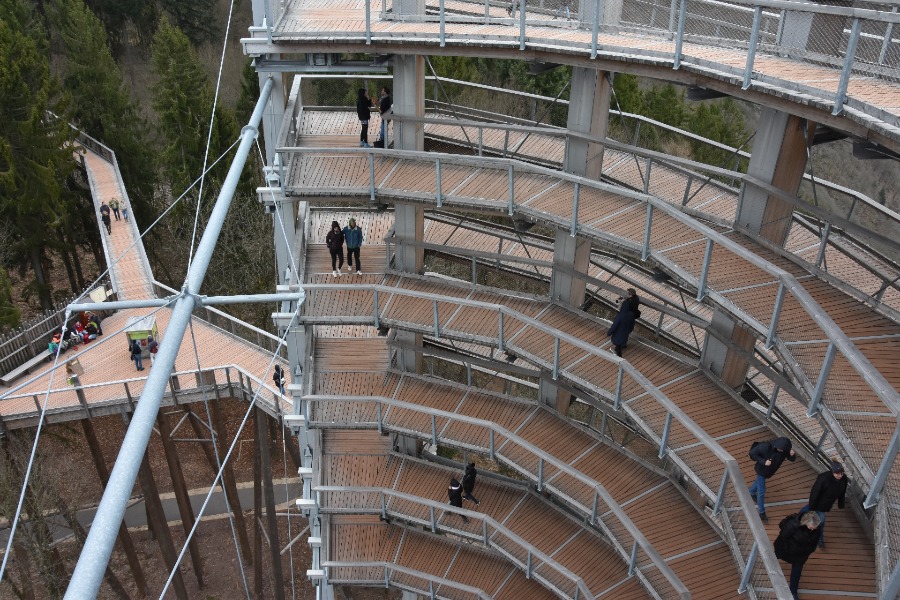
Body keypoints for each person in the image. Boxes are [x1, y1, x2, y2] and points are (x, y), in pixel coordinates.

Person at [800, 461, 848, 550]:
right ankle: (820, 540)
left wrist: (841, 504)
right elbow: (815, 492)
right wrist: (812, 507)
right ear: (832, 472)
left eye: (841, 473)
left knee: (806, 512)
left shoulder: (844, 479)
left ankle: (798, 519)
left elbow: (842, 492)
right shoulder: (823, 479)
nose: (840, 475)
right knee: (820, 522)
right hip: (819, 503)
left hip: (825, 504)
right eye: (837, 473)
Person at [774, 511, 821, 600]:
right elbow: (783, 536)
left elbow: (814, 541)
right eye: (812, 527)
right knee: (775, 556)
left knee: (797, 572)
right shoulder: (793, 524)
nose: (814, 529)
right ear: (806, 522)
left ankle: (793, 592)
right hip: (787, 550)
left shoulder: (816, 528)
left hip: (801, 555)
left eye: (815, 527)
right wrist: (786, 549)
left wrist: (810, 550)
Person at [748, 437, 796, 521]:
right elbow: (752, 453)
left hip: (769, 471)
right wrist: (764, 462)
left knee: (759, 482)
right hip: (761, 470)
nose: (781, 451)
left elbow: (791, 459)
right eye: (780, 449)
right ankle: (762, 512)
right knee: (761, 491)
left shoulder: (784, 450)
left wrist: (792, 455)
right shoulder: (765, 446)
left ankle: (751, 491)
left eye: (783, 450)